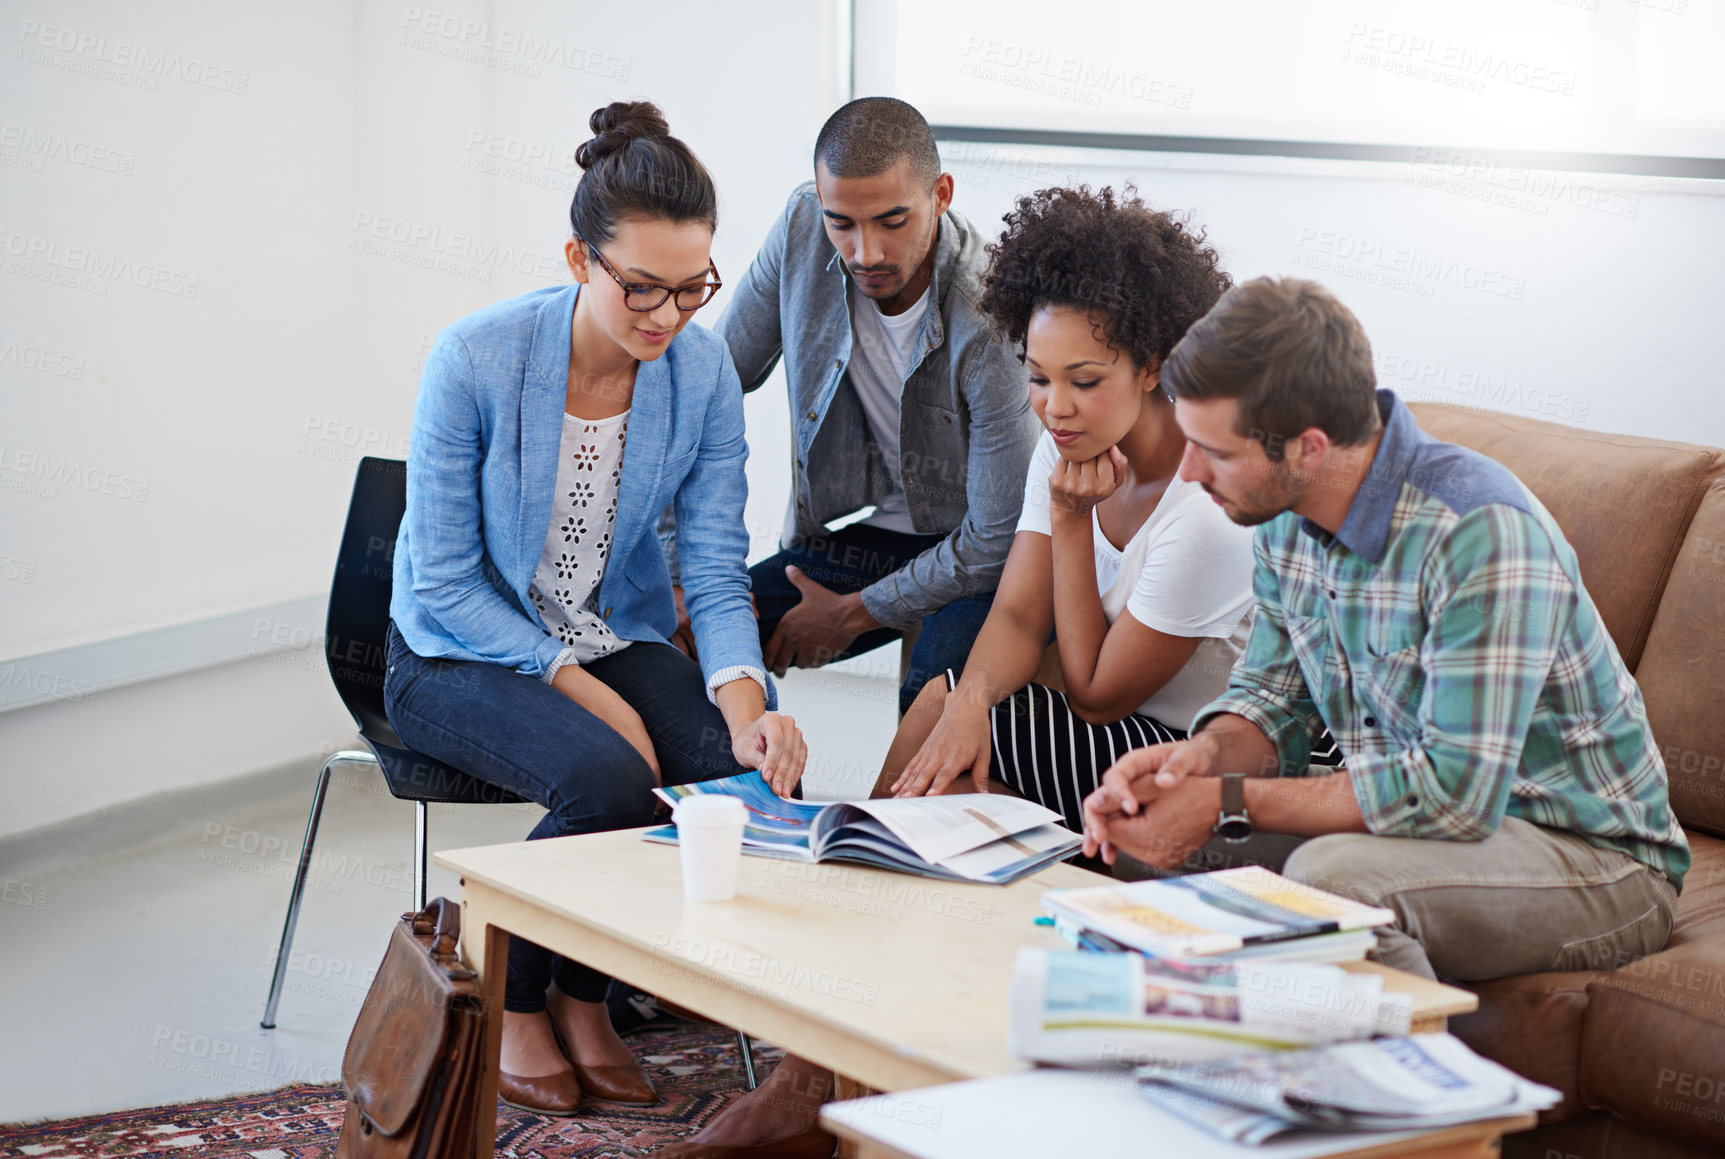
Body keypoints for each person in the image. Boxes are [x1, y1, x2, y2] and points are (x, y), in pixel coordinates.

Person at [383, 101, 807, 1118]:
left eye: (693, 288)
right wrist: (575, 686)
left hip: (608, 633)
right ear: (579, 258)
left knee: (727, 773)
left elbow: (711, 564)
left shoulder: (699, 372)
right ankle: (512, 995)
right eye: (642, 288)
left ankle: (587, 993)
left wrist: (751, 702)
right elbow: (440, 583)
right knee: (611, 775)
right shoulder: (475, 359)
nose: (667, 316)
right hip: (454, 650)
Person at [1082, 276, 1690, 983]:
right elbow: (1270, 700)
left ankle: (1414, 1089)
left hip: (1592, 857)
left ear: (1308, 448)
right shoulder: (1281, 518)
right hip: (1440, 822)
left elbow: (1450, 796)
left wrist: (1226, 799)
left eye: (1212, 452)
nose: (1189, 472)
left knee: (1332, 880)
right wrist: (1199, 762)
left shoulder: (1479, 534)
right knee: (1142, 841)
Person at [875, 185, 1340, 825]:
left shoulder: (1205, 508)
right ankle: (857, 864)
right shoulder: (1068, 443)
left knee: (946, 733)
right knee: (948, 722)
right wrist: (970, 703)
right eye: (1038, 377)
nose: (1055, 407)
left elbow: (1096, 699)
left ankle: (847, 869)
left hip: (1226, 753)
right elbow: (1016, 614)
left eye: (1084, 380)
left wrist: (1068, 519)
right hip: (1140, 732)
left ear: (1152, 366)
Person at [669, 96, 1040, 715]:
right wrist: (678, 570)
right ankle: (737, 809)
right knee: (692, 647)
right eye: (842, 222)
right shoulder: (800, 229)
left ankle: (885, 816)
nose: (865, 251)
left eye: (893, 221)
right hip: (875, 541)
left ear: (941, 194)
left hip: (988, 560)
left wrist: (850, 615)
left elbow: (997, 540)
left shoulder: (991, 313)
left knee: (930, 702)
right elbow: (703, 388)